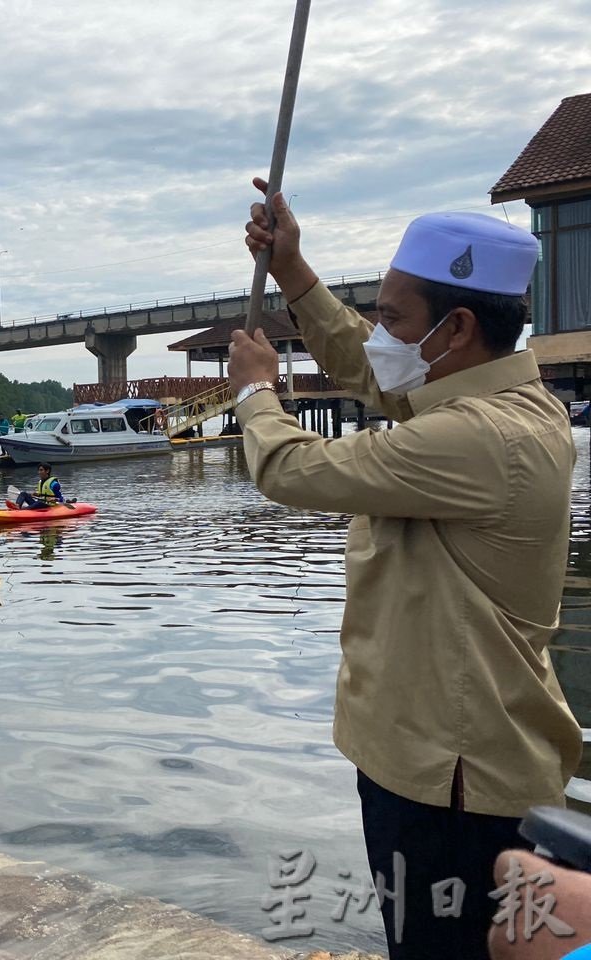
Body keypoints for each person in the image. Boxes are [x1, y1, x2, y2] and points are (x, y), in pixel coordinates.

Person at [234, 182, 578, 960]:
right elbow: (375, 372)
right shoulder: (495, 402)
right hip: (436, 758)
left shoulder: (482, 437)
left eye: (393, 317)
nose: (379, 332)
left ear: (456, 330)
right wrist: (293, 273)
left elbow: (293, 468)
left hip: (453, 781)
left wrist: (257, 390)